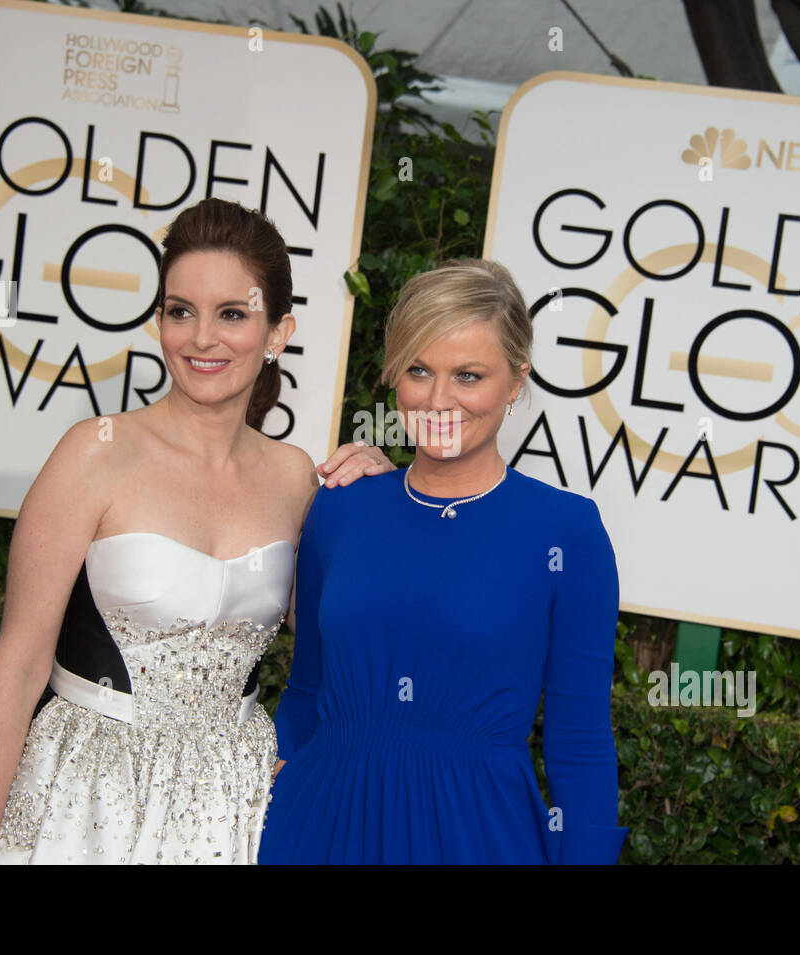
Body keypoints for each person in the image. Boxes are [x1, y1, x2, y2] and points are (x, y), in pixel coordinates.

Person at [0, 197, 390, 864]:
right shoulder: (94, 453)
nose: (202, 338)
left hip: (233, 811)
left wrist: (389, 499)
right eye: (180, 311)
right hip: (83, 799)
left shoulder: (297, 480)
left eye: (232, 313)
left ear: (278, 331)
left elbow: (339, 644)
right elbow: (20, 662)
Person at [259, 259, 628, 864]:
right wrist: (268, 806)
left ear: (516, 381)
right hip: (316, 823)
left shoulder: (566, 532)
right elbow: (307, 690)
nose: (437, 399)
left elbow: (579, 740)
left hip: (474, 833)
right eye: (419, 369)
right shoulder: (343, 509)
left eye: (469, 375)